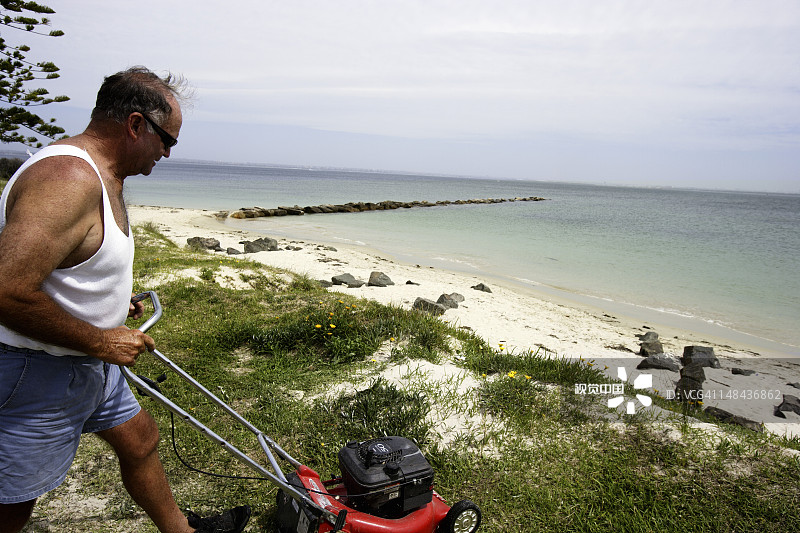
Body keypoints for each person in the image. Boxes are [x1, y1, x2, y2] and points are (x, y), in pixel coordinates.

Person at [0, 67, 250, 533]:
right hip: (38, 369)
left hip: (87, 360)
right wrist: (100, 339)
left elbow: (72, 260)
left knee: (140, 439)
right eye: (166, 139)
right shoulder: (67, 178)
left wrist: (112, 299)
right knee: (13, 502)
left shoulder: (104, 174)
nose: (168, 152)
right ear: (135, 124)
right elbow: (5, 290)